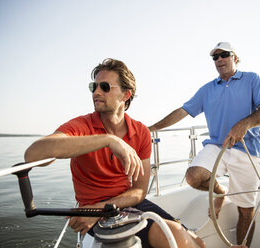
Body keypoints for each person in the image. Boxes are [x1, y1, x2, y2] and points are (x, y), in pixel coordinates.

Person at [24, 58, 205, 248]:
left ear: (126, 95)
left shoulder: (141, 132)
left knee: (195, 241)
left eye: (104, 87)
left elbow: (140, 191)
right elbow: (33, 155)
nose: (96, 92)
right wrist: (108, 140)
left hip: (120, 204)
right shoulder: (81, 126)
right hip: (94, 210)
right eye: (93, 87)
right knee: (173, 235)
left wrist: (98, 210)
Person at [148, 42, 260, 247]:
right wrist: (152, 128)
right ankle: (220, 192)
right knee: (193, 177)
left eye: (224, 55)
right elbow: (183, 111)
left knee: (246, 210)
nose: (219, 59)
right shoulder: (207, 89)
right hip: (217, 146)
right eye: (215, 57)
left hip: (248, 150)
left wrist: (244, 124)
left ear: (235, 57)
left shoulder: (252, 79)